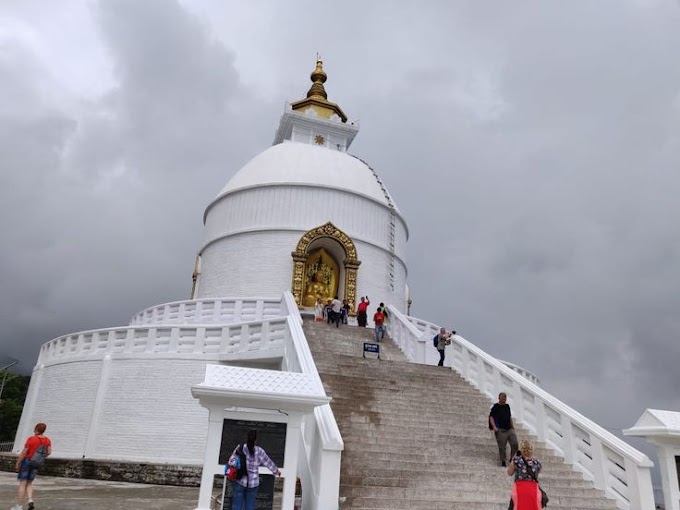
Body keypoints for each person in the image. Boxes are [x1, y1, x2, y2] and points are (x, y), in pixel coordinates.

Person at [231, 429, 281, 510]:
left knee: (236, 506)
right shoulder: (259, 451)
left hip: (240, 480)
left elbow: (232, 462)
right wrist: (276, 471)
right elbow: (268, 462)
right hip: (253, 483)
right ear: (256, 440)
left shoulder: (240, 448)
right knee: (250, 506)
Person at [13, 422, 52, 510]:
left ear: (37, 430)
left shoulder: (31, 439)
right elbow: (49, 452)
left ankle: (18, 506)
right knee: (29, 483)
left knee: (22, 484)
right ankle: (30, 500)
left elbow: (24, 452)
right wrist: (40, 457)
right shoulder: (48, 440)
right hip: (36, 464)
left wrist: (18, 462)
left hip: (27, 462)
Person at [507, 438, 542, 509]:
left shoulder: (516, 460)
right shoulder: (537, 462)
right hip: (533, 490)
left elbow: (509, 473)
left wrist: (514, 458)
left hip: (519, 488)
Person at [489, 392, 519, 466]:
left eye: (505, 398)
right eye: (502, 398)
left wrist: (512, 426)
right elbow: (491, 417)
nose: (504, 399)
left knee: (515, 443)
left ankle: (512, 458)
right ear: (499, 398)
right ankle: (503, 460)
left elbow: (509, 417)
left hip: (509, 428)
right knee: (502, 446)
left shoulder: (507, 406)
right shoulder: (496, 407)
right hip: (500, 429)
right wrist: (494, 427)